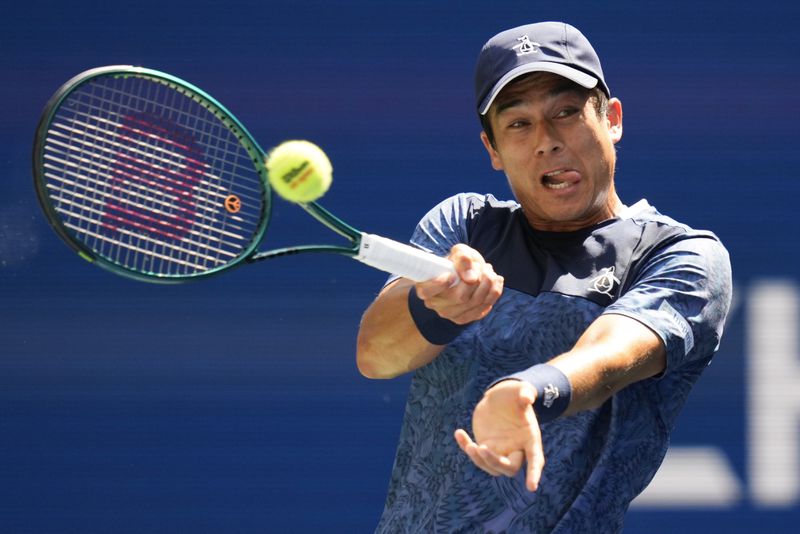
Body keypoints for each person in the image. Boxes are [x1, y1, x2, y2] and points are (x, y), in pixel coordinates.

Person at [356, 21, 732, 533]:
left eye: (566, 112)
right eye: (518, 124)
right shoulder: (465, 224)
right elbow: (376, 356)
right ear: (491, 148)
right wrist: (435, 307)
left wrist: (529, 390)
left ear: (612, 119)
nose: (547, 141)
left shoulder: (678, 254)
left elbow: (608, 359)